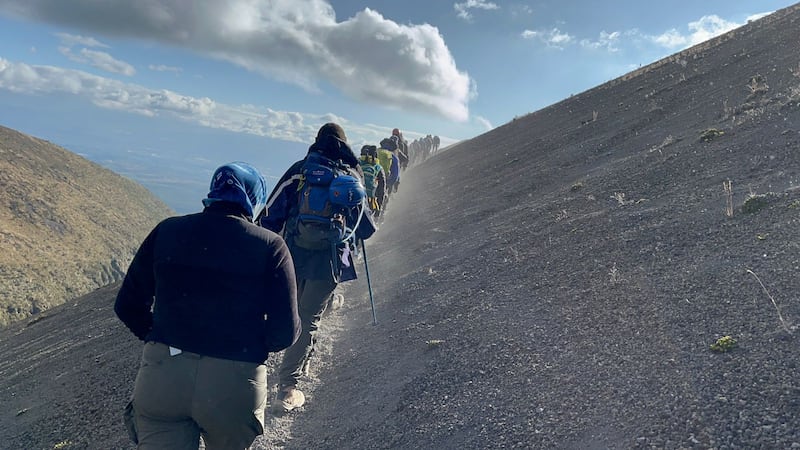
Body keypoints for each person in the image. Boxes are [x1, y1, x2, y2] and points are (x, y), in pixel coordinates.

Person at [115, 162, 301, 450]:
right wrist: (248, 346)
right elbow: (284, 333)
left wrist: (159, 335)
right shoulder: (271, 246)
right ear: (255, 201)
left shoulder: (167, 231)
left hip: (163, 374)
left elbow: (127, 305)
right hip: (234, 381)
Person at [260, 123, 376, 414]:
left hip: (292, 253)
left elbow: (270, 214)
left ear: (317, 141)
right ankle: (287, 387)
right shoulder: (351, 175)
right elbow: (368, 228)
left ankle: (261, 373)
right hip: (329, 259)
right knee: (309, 317)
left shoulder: (300, 171)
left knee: (290, 309)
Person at [359, 144, 386, 218]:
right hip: (370, 201)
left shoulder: (356, 163)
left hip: (356, 199)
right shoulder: (378, 168)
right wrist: (379, 207)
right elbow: (381, 189)